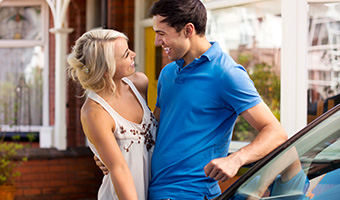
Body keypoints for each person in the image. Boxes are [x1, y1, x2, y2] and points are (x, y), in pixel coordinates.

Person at [96, 0, 287, 199]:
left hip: (191, 193)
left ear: (188, 30)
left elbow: (275, 132)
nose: (157, 42)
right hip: (154, 189)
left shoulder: (226, 74)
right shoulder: (168, 73)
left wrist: (236, 159)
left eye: (162, 34)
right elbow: (152, 132)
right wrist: (113, 151)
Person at [68, 29, 157, 200]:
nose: (134, 54)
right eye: (125, 54)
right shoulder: (95, 112)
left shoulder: (139, 83)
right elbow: (119, 169)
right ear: (106, 69)